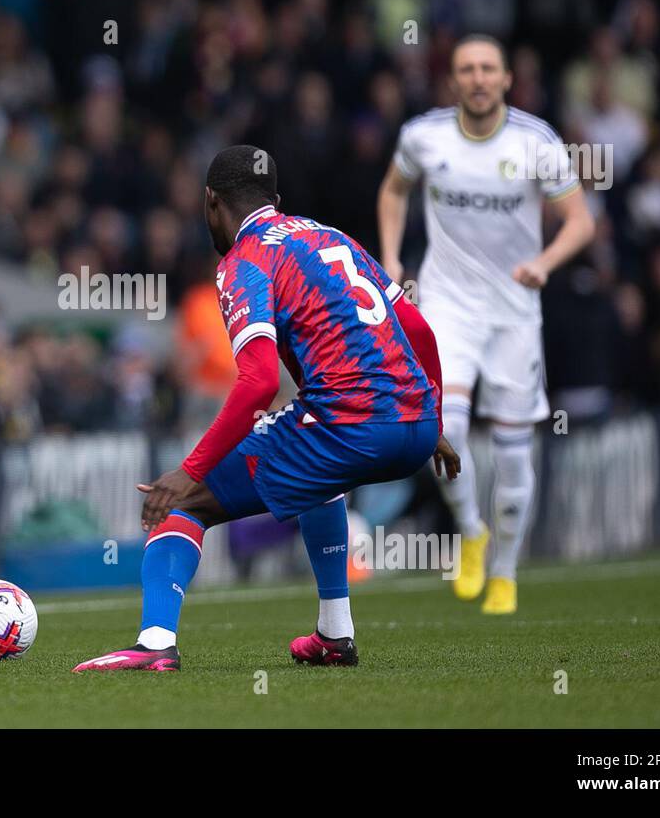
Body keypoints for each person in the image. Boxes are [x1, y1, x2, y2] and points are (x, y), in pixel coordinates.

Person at [73, 145, 459, 673]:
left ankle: (155, 642)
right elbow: (417, 328)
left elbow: (257, 381)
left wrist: (189, 472)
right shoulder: (329, 236)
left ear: (210, 202)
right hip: (415, 429)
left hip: (350, 423)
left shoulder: (245, 260)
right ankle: (334, 635)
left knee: (187, 505)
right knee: (317, 476)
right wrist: (433, 418)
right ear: (275, 200)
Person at [376, 34, 595, 615]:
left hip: (515, 313)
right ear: (453, 80)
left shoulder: (535, 141)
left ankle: (505, 570)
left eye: (487, 69)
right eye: (466, 69)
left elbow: (579, 219)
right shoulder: (425, 136)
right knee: (440, 430)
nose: (477, 78)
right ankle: (471, 529)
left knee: (514, 452)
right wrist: (393, 258)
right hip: (449, 307)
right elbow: (393, 191)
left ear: (505, 79)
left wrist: (545, 263)